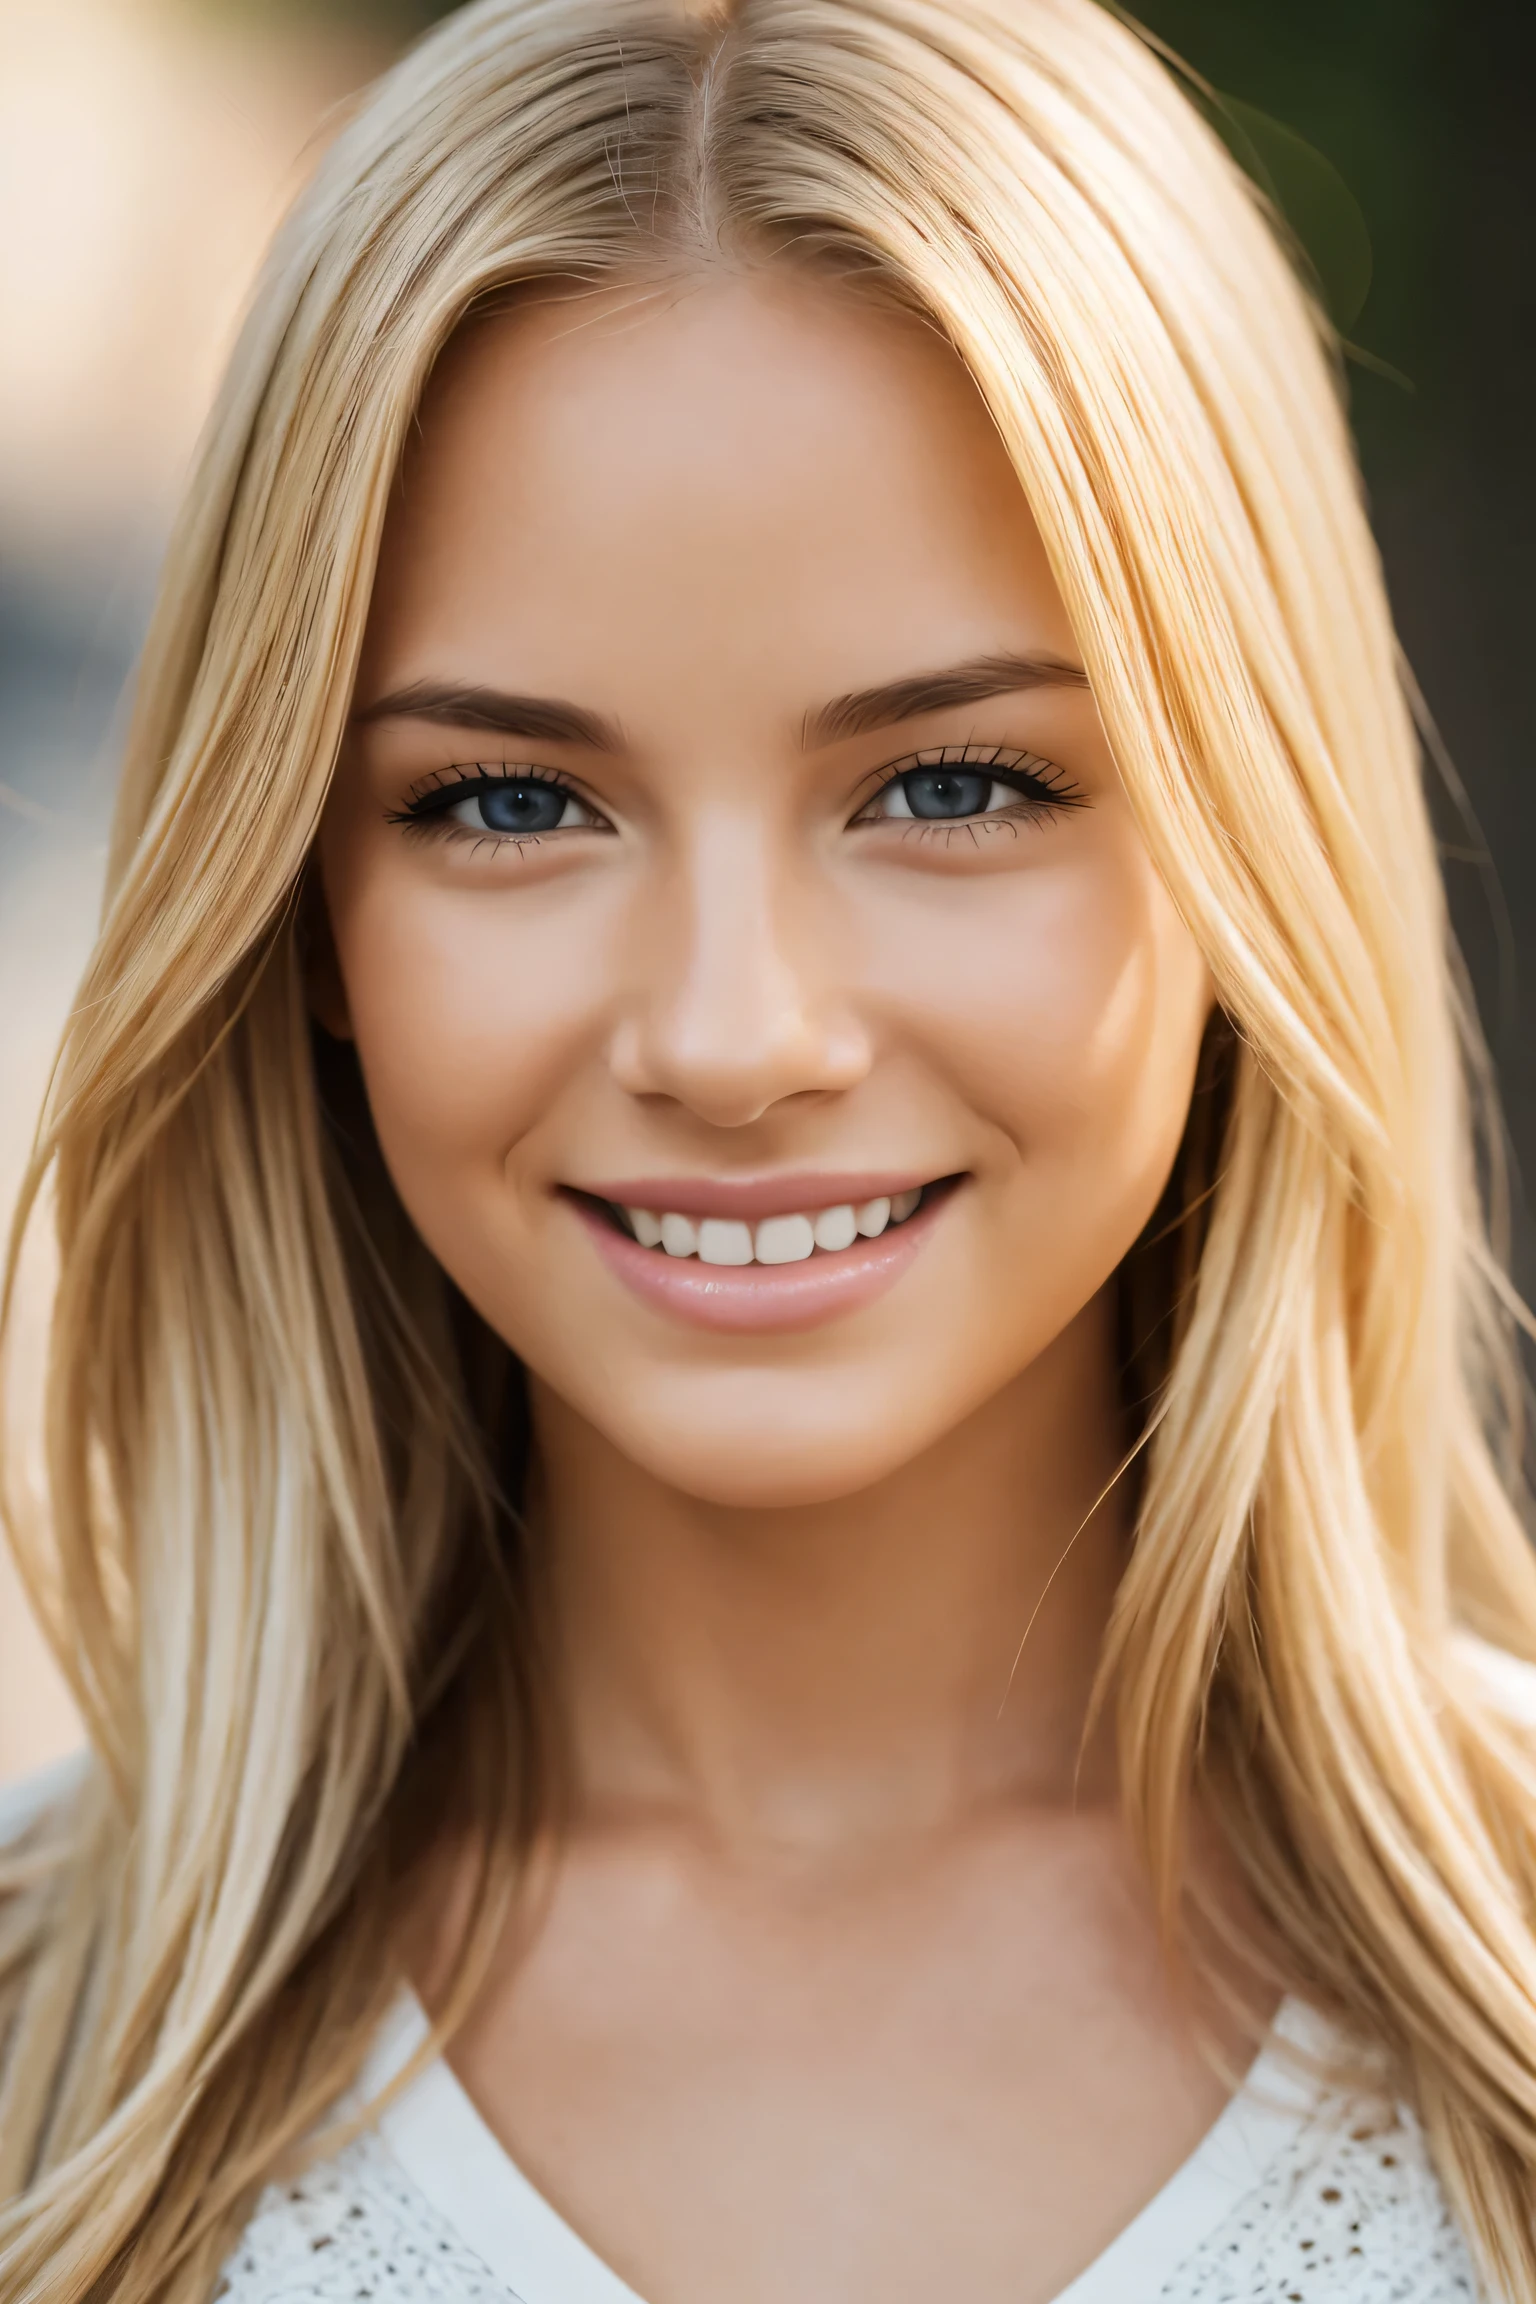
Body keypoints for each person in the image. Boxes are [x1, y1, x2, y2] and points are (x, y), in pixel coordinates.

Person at [4, 0, 1536, 2296]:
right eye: (508, 804)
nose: (735, 1037)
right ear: (306, 903)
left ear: (1250, 837)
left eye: (951, 786)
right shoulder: (50, 2079)